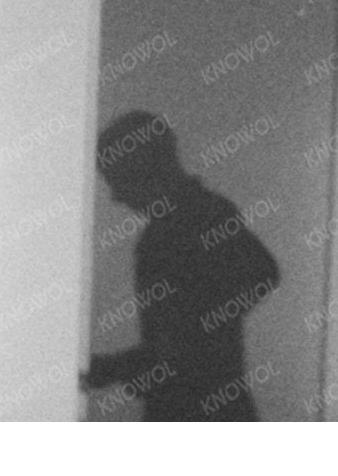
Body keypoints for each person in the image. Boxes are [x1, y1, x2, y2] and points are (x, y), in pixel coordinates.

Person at [79, 111, 283, 421]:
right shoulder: (183, 222)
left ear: (144, 171)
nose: (116, 196)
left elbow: (261, 273)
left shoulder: (196, 218)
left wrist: (125, 365)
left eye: (117, 180)